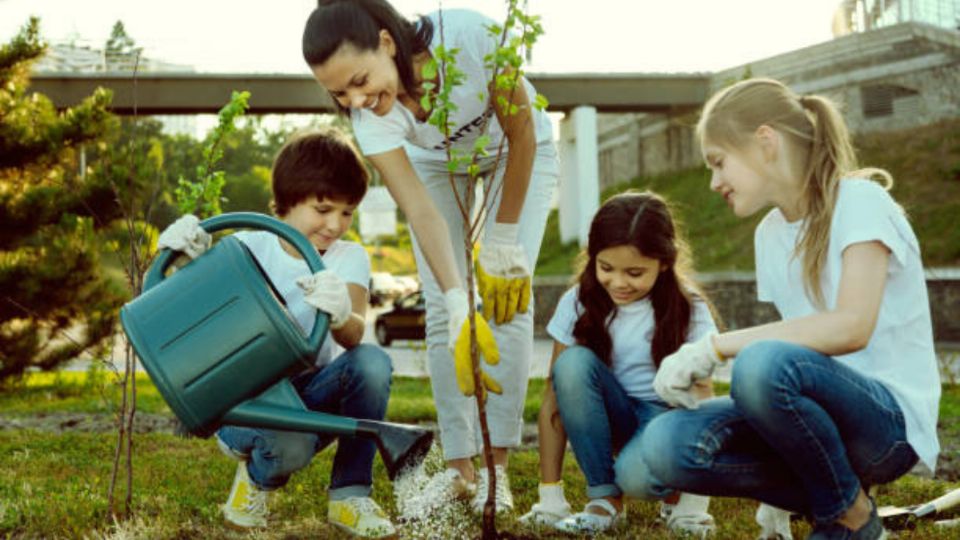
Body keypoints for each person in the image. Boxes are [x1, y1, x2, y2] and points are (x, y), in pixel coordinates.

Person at [615, 78, 941, 540]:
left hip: (887, 426)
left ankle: (848, 518)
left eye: (719, 162)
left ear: (765, 142)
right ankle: (839, 503)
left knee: (760, 362)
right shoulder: (769, 235)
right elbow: (798, 346)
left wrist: (713, 347)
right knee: (667, 445)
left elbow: (851, 327)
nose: (714, 182)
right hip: (822, 419)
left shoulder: (861, 203)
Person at [302, 0, 559, 513]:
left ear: (387, 43)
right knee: (445, 310)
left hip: (516, 152)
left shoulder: (470, 36)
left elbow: (522, 133)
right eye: (338, 94)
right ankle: (461, 470)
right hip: (435, 165)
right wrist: (458, 296)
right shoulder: (372, 121)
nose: (356, 99)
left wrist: (503, 241)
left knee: (508, 300)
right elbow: (421, 212)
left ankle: (496, 471)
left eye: (359, 79)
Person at [161, 130, 397, 537]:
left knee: (373, 363)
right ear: (288, 201)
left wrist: (341, 313)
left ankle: (350, 495)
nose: (335, 225)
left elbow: (354, 334)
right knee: (289, 447)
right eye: (323, 209)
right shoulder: (249, 246)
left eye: (346, 213)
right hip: (247, 400)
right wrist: (184, 258)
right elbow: (193, 315)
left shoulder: (348, 257)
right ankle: (255, 480)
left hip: (309, 398)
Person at [519, 191, 719, 535]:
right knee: (570, 366)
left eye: (635, 272)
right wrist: (549, 497)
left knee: (635, 477)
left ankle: (675, 497)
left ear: (665, 263)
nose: (619, 283)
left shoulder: (690, 308)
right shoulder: (578, 302)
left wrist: (695, 505)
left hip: (667, 421)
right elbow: (555, 395)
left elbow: (702, 402)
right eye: (606, 268)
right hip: (613, 417)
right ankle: (604, 500)